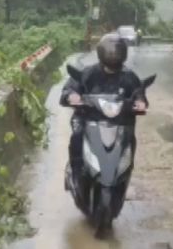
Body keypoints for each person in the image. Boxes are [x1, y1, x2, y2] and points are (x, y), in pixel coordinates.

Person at [59, 34, 149, 182]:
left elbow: (138, 93)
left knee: (130, 140)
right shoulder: (89, 73)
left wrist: (140, 101)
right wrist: (71, 96)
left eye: (116, 53)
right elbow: (71, 88)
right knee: (77, 135)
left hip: (120, 122)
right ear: (101, 54)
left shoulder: (129, 77)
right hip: (88, 119)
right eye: (110, 53)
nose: (113, 56)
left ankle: (126, 171)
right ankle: (74, 171)